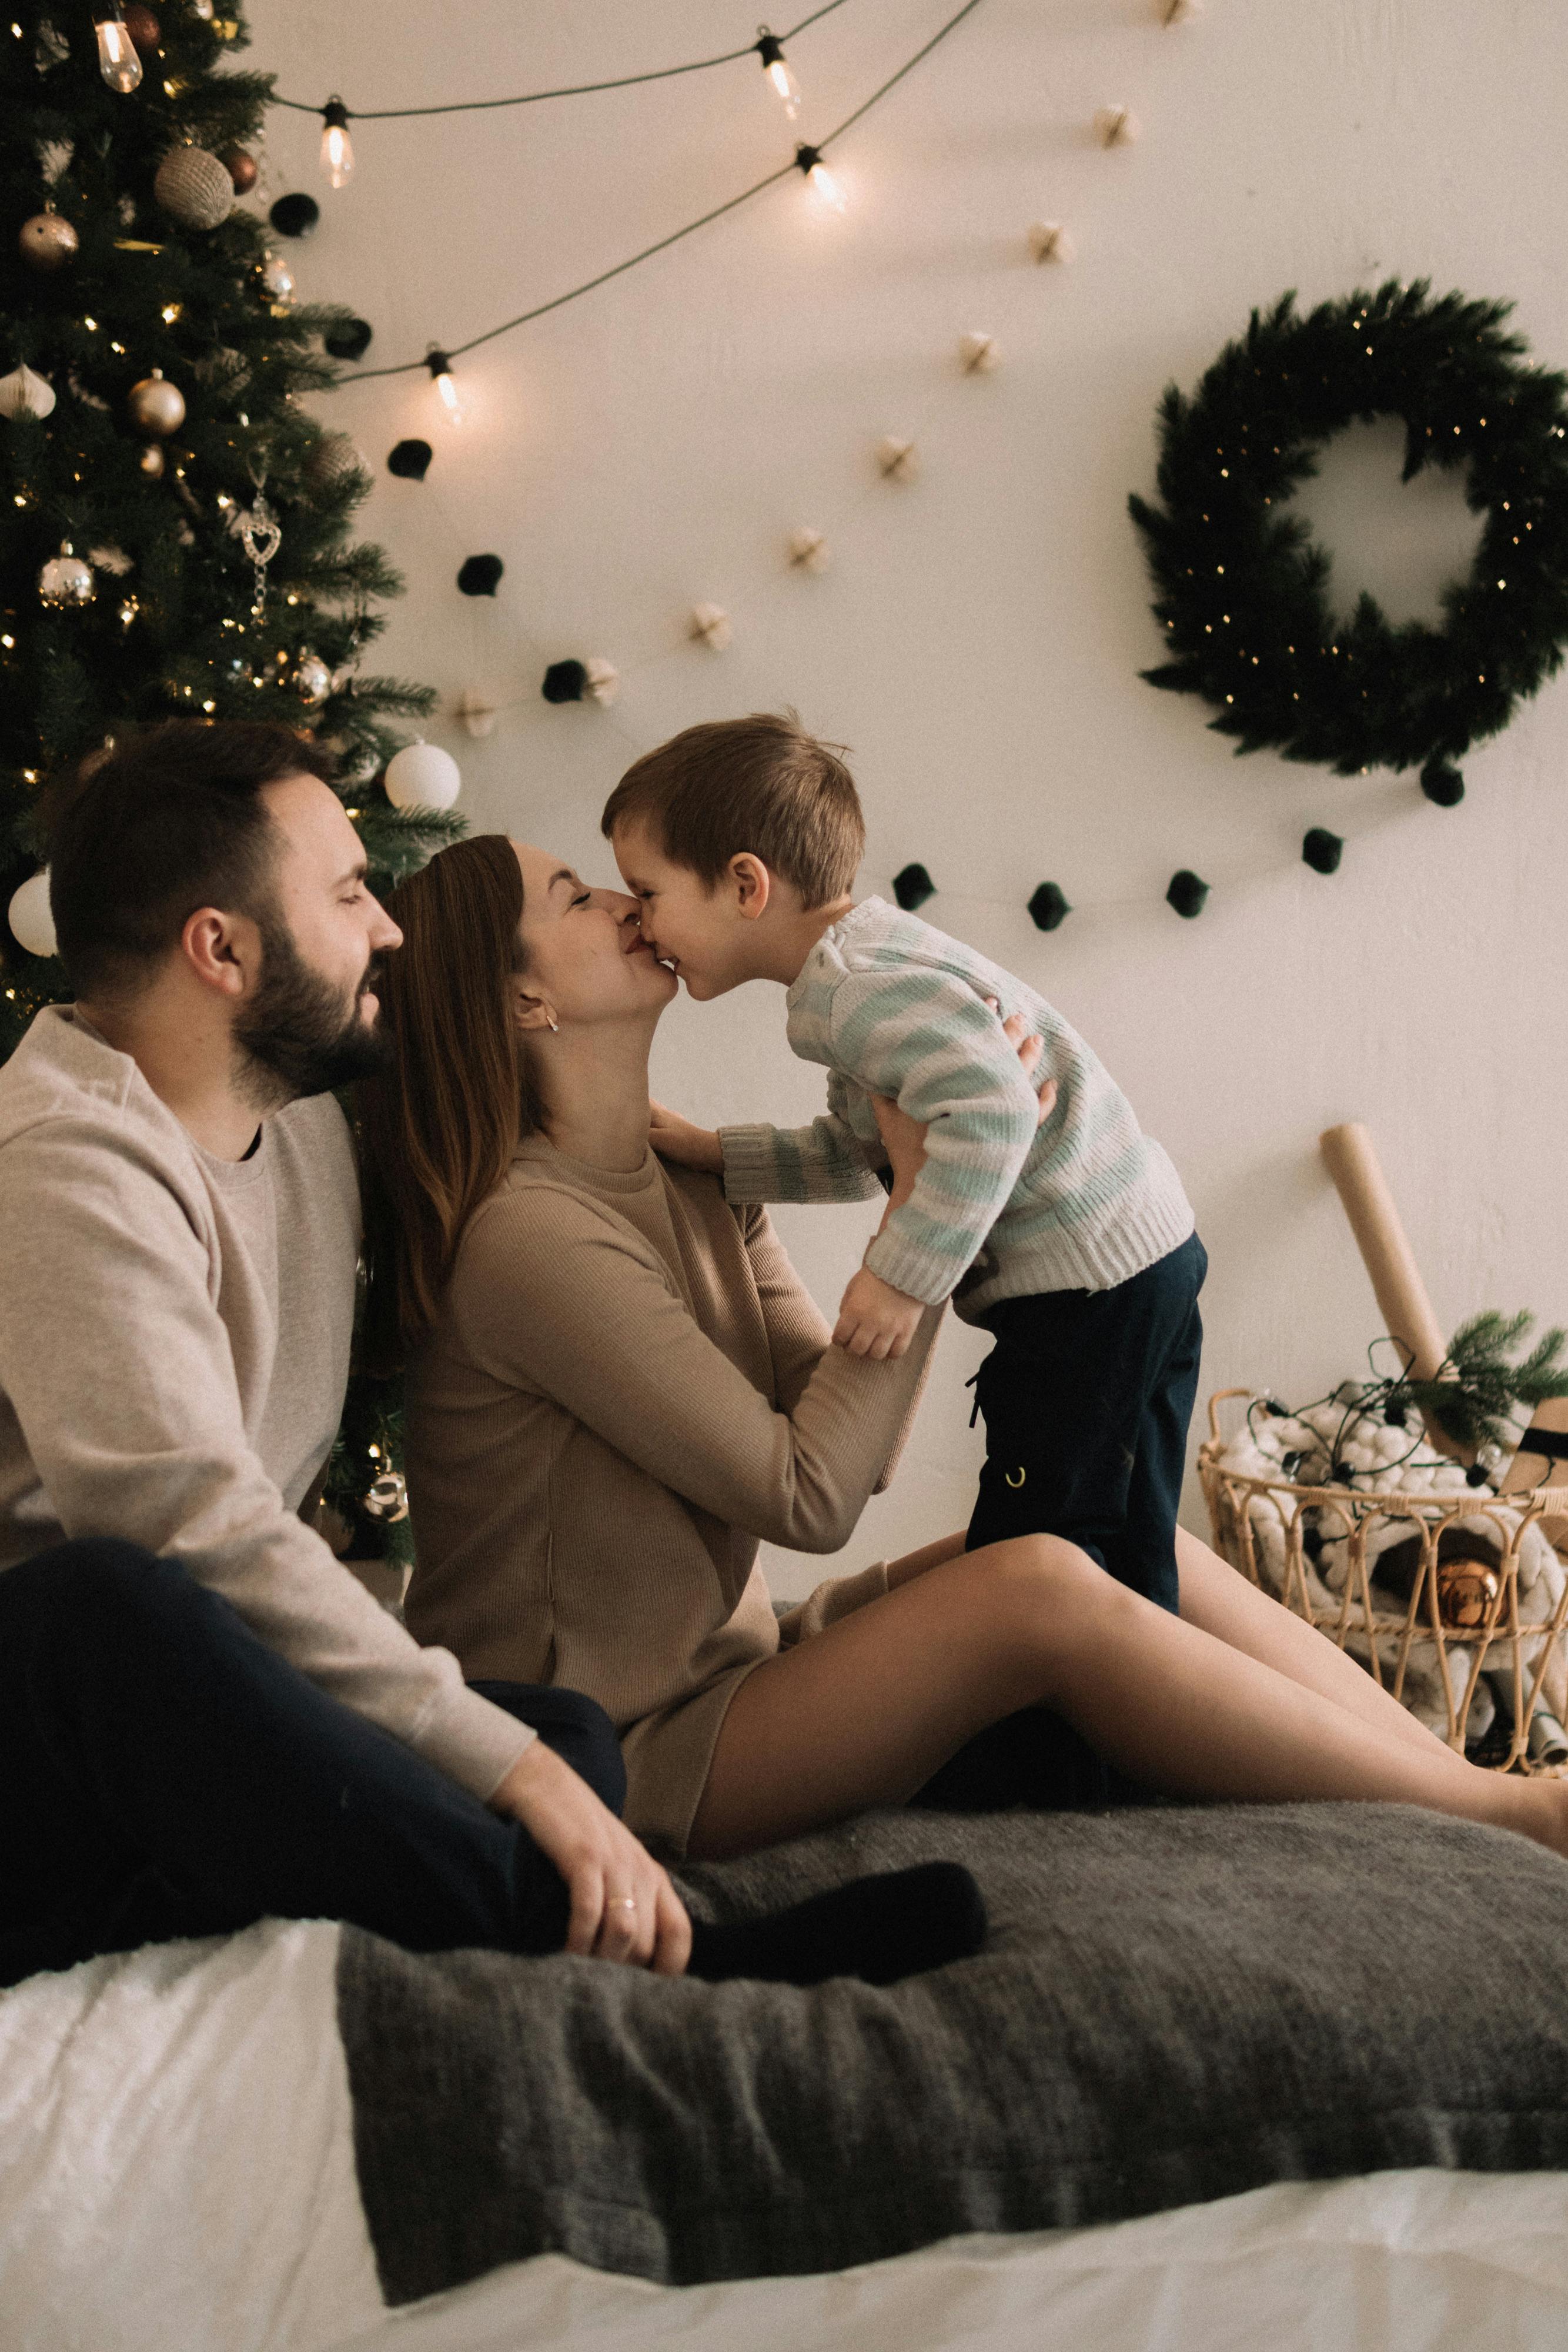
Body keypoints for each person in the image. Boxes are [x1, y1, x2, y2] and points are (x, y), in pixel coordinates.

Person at [359, 829, 1568, 1867]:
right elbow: (811, 1489)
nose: (624, 900)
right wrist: (923, 1206)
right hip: (621, 1750)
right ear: (524, 999)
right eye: (573, 895)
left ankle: (1480, 1798)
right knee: (1037, 1587)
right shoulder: (530, 1236)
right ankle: (1505, 1811)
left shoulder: (690, 1181)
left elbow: (846, 1440)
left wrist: (925, 1191)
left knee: (1114, 1542)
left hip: (743, 1656)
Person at [0, 722, 985, 1993]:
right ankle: (684, 1959)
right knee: (108, 1604)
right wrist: (508, 1775)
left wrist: (775, 1153)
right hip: (53, 1713)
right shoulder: (67, 1163)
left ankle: (210, 1896)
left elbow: (510, 1089)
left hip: (153, 1732)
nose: (390, 929)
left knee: (563, 1727)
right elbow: (184, 1520)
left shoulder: (299, 1123)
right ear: (222, 947)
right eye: (349, 894)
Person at [602, 711, 1202, 1619]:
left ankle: (1054, 1752)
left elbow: (996, 1111)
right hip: (1136, 1253)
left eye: (646, 892)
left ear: (744, 884)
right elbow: (862, 1157)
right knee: (1126, 1557)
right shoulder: (867, 962)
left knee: (1041, 1560)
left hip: (1088, 1290)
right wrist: (718, 1153)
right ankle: (1148, 1748)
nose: (641, 924)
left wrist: (900, 1281)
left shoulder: (854, 990)